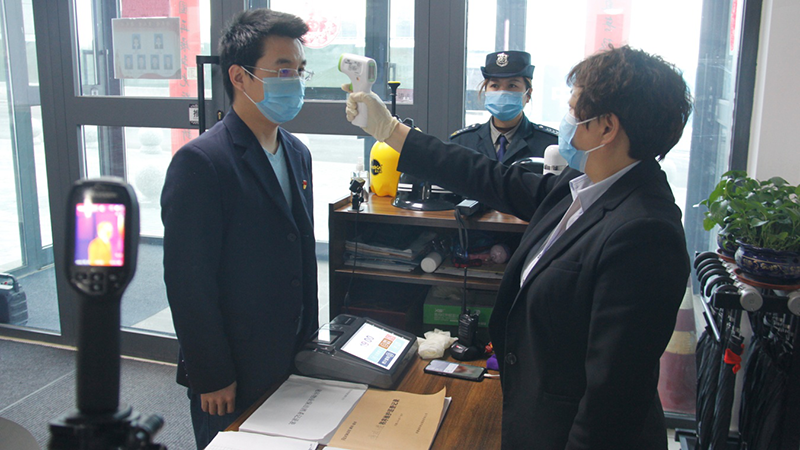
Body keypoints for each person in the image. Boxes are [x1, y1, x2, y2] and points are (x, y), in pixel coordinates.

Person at [344, 45, 692, 449]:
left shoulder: (646, 232)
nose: (567, 119)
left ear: (607, 127)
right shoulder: (581, 187)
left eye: (574, 109)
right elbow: (491, 177)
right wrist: (392, 132)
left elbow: (614, 398)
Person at [161, 9, 318, 449]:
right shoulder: (201, 163)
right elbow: (188, 282)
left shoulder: (297, 153)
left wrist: (309, 343)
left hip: (290, 355)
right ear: (239, 76)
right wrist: (211, 374)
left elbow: (300, 250)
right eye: (283, 70)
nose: (295, 81)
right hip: (232, 367)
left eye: (300, 70)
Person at [449, 51, 557, 165]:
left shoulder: (550, 145)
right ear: (486, 92)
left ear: (528, 94)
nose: (502, 92)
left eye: (512, 85)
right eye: (495, 86)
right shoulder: (462, 143)